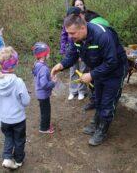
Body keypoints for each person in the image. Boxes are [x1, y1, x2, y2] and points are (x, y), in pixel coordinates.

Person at [51, 15, 128, 146]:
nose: (70, 36)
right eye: (68, 33)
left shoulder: (102, 36)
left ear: (83, 27)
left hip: (115, 71)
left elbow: (112, 62)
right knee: (98, 98)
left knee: (107, 102)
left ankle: (102, 131)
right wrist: (61, 65)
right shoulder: (77, 38)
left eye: (72, 33)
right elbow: (72, 55)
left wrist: (91, 75)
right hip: (98, 70)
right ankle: (97, 124)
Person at [0, 46, 31, 169]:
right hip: (18, 119)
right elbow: (26, 101)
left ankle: (7, 157)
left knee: (8, 137)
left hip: (4, 118)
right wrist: (20, 104)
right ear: (15, 64)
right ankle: (18, 160)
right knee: (19, 139)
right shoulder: (18, 81)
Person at [32, 42, 56, 134]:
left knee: (44, 111)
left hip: (40, 93)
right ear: (43, 55)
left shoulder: (37, 64)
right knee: (46, 112)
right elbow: (44, 84)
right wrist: (52, 82)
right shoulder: (43, 68)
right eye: (48, 53)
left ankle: (44, 125)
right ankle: (44, 128)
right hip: (43, 94)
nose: (49, 54)